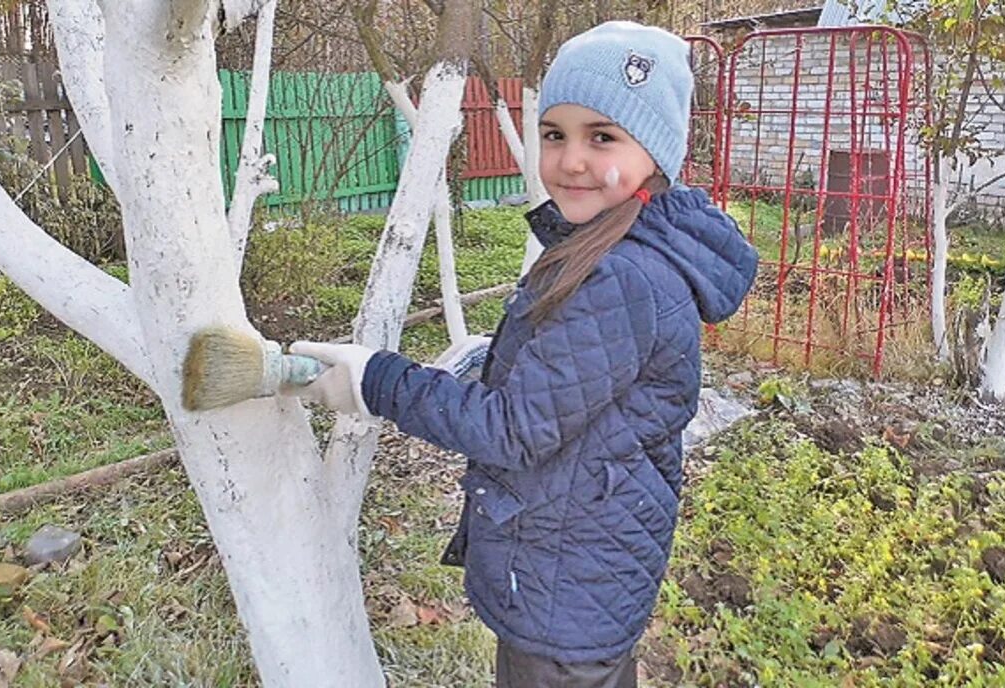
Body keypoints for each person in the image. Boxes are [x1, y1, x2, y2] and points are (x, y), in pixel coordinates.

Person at [289, 20, 759, 688]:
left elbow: (512, 429)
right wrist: (487, 362)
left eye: (603, 137)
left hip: (568, 589)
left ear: (655, 151)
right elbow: (577, 387)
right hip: (583, 569)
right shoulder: (612, 244)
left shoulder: (622, 275)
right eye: (554, 134)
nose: (571, 159)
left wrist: (377, 381)